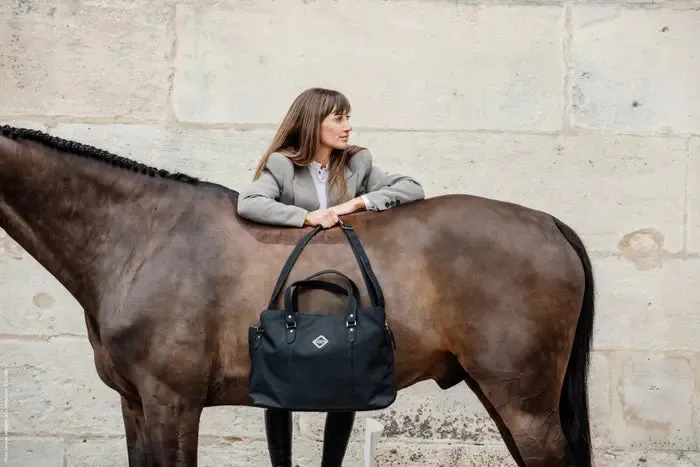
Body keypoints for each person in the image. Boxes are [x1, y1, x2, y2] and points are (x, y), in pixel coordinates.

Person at [237, 87, 424, 467]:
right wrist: (305, 217)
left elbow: (412, 189)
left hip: (341, 287)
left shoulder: (358, 163)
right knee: (282, 375)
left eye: (348, 117)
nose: (348, 127)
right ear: (313, 123)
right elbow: (249, 202)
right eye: (338, 118)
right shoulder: (283, 165)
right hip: (296, 289)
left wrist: (357, 203)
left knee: (346, 370)